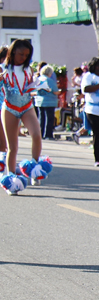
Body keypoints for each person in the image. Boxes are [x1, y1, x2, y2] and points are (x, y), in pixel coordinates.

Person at [1, 40, 45, 190]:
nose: (23, 58)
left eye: (26, 55)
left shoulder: (29, 69)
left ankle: (34, 169)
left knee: (36, 135)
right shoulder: (3, 69)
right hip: (10, 108)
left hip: (27, 106)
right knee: (12, 147)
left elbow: (30, 86)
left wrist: (37, 87)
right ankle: (11, 179)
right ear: (13, 53)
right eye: (21, 54)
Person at [35, 65, 59, 141]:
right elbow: (55, 91)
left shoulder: (38, 79)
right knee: (49, 118)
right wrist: (59, 92)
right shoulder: (49, 80)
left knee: (41, 118)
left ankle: (41, 134)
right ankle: (48, 134)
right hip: (50, 101)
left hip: (39, 101)